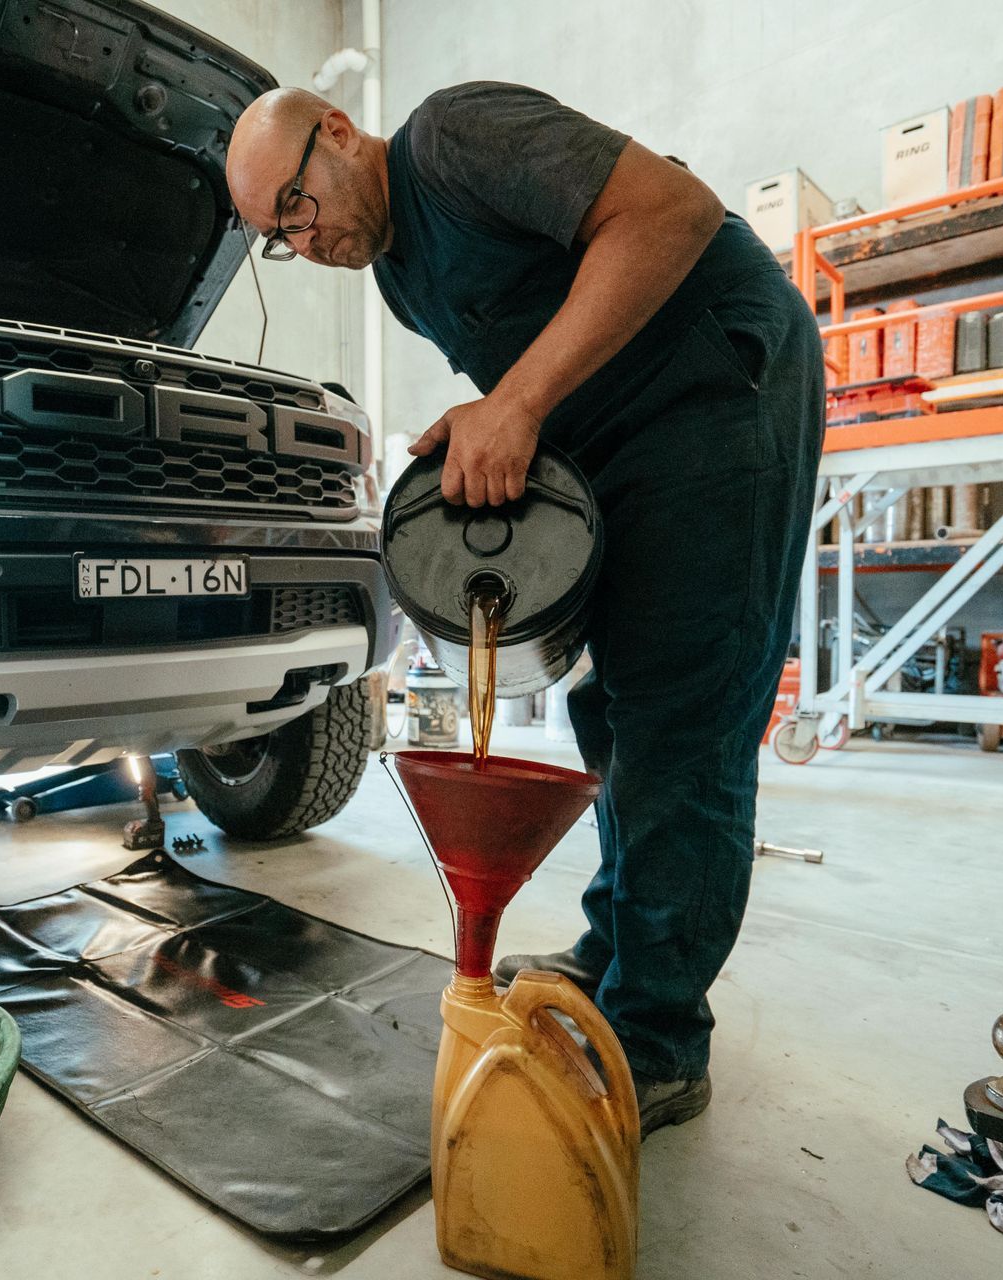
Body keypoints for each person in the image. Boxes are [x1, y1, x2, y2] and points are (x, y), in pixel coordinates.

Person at [227, 83, 825, 1134]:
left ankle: (660, 1038)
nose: (304, 240)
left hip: (715, 391)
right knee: (611, 714)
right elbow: (544, 365)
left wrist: (515, 402)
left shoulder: (456, 138)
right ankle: (616, 952)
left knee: (684, 718)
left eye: (296, 205)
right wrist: (488, 413)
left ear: (335, 133)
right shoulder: (402, 278)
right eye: (281, 239)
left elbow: (672, 214)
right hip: (614, 447)